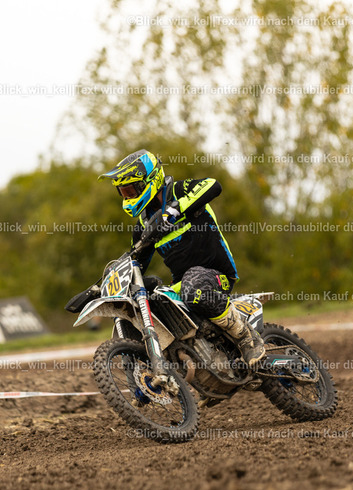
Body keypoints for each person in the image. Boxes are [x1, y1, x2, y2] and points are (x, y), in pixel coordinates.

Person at [98, 149, 265, 365]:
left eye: (131, 191)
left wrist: (174, 211)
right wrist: (99, 289)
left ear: (149, 181)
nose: (127, 197)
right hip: (182, 284)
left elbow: (213, 185)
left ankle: (246, 337)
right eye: (123, 193)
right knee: (151, 304)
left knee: (193, 285)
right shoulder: (143, 226)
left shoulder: (179, 191)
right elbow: (135, 263)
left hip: (217, 275)